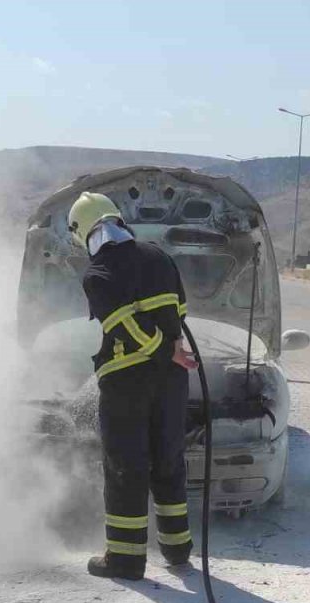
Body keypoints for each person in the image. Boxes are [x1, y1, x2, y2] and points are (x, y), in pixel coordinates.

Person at [68, 191, 198, 581]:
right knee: (169, 461)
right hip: (171, 382)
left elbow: (123, 325)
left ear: (84, 232)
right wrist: (172, 350)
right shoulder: (159, 255)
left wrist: (161, 349)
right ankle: (177, 551)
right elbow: (180, 310)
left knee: (126, 467)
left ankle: (125, 559)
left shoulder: (98, 272)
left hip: (127, 384)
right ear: (117, 220)